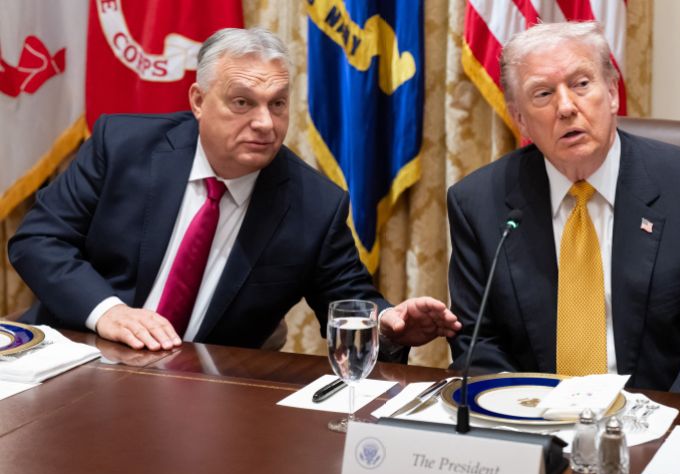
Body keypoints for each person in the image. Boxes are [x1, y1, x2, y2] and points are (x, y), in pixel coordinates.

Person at [8, 27, 460, 358]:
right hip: (73, 355)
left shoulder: (314, 204)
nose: (265, 123)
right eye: (243, 102)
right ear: (199, 101)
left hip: (198, 394)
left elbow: (347, 298)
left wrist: (390, 323)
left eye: (278, 104)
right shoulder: (123, 145)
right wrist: (106, 311)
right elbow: (38, 240)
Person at [447, 21, 680, 398]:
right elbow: (478, 342)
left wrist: (662, 425)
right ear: (519, 118)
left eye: (581, 84)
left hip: (664, 424)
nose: (566, 107)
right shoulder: (477, 203)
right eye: (543, 94)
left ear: (612, 93)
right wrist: (532, 422)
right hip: (533, 429)